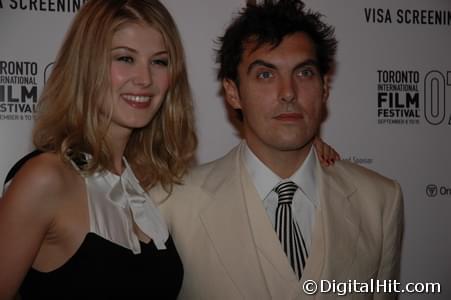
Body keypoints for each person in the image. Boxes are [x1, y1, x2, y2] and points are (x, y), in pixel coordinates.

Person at [158, 0, 404, 299]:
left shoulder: (379, 200)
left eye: (304, 73)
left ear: (325, 87)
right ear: (233, 92)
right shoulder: (173, 204)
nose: (288, 92)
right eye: (265, 74)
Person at [0, 0, 197, 298]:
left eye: (159, 61)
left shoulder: (147, 181)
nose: (145, 79)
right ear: (86, 65)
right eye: (125, 58)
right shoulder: (46, 178)